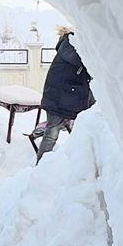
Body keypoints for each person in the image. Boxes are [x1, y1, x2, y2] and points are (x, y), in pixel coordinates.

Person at [35, 25, 94, 158]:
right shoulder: (69, 45)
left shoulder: (70, 45)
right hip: (57, 98)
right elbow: (80, 59)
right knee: (51, 134)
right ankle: (41, 166)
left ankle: (74, 162)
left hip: (65, 97)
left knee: (58, 132)